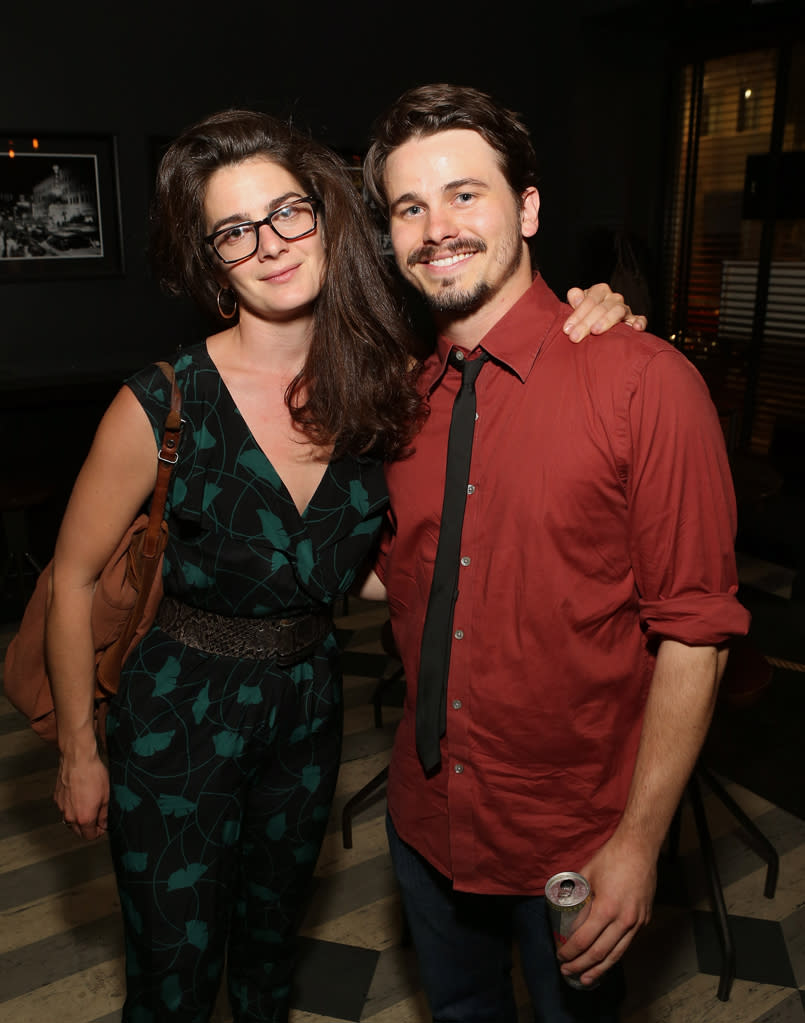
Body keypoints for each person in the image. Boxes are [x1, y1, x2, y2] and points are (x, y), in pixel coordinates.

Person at [45, 107, 634, 1023]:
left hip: (304, 710)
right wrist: (82, 748)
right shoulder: (161, 403)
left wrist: (592, 316)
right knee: (173, 970)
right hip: (176, 718)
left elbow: (375, 559)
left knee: (272, 958)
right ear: (211, 260)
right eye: (235, 231)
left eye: (288, 212)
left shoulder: (385, 385)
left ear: (324, 214)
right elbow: (75, 579)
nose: (270, 244)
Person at [358, 83, 751, 1022]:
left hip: (574, 842)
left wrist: (640, 841)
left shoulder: (643, 382)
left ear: (526, 207)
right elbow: (402, 571)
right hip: (425, 822)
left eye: (464, 193)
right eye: (409, 206)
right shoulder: (405, 397)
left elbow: (695, 629)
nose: (436, 226)